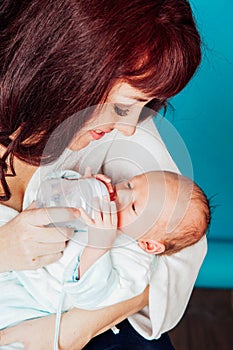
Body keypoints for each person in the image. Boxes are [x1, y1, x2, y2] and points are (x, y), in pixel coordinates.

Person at [0, 0, 205, 349]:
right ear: (66, 71)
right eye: (124, 107)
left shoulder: (125, 130)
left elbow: (181, 247)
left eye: (145, 104)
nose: (128, 129)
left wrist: (74, 330)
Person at [0, 169, 210, 348]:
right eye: (129, 184)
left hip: (34, 298)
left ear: (149, 244)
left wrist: (98, 245)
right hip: (20, 257)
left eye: (135, 207)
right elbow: (50, 192)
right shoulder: (103, 207)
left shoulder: (135, 268)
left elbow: (90, 297)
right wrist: (76, 184)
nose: (121, 194)